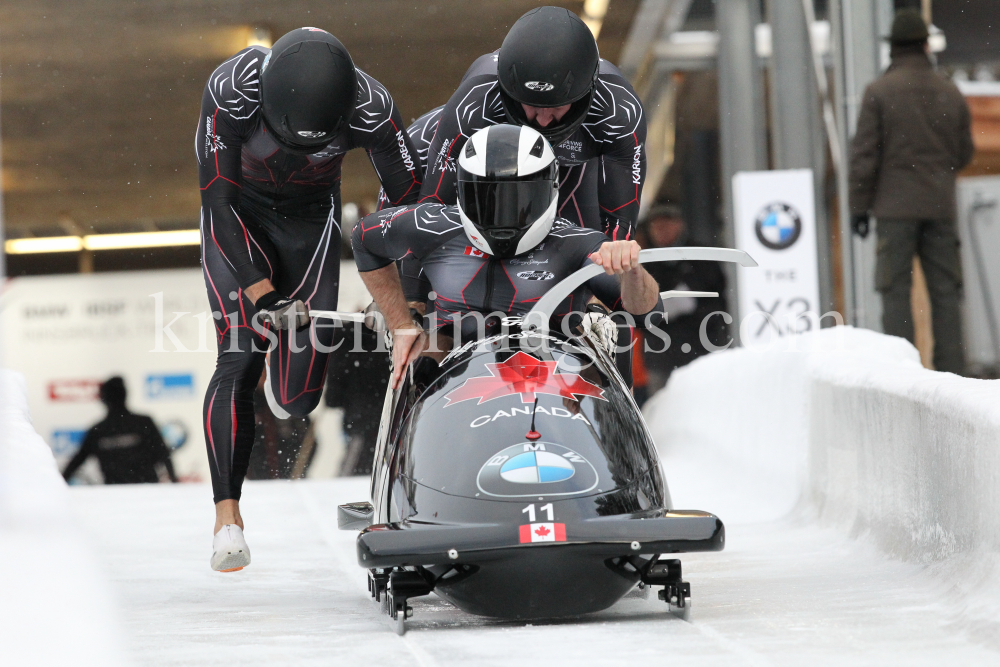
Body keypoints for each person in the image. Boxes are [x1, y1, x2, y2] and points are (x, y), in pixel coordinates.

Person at [197, 27, 421, 572]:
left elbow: (413, 202)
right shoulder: (232, 89)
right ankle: (228, 519)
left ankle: (288, 376)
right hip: (240, 218)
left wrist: (399, 294)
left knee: (298, 400)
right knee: (242, 352)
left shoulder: (371, 106)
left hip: (311, 221)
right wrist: (262, 294)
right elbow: (217, 202)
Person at [352, 124, 664, 389]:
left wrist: (631, 271)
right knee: (431, 348)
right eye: (487, 199)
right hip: (453, 390)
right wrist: (402, 325)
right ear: (462, 191)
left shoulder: (577, 245)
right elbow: (364, 239)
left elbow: (649, 314)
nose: (502, 217)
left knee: (596, 337)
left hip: (552, 389)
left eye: (518, 201)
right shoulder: (432, 225)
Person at [403, 6, 646, 305]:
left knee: (600, 288)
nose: (543, 121)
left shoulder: (619, 111)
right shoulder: (474, 101)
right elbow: (431, 211)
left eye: (557, 107)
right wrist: (414, 299)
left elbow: (620, 219)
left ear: (585, 94)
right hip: (492, 181)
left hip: (575, 170)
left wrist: (606, 279)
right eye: (532, 106)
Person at [849, 8, 974, 374]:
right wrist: (937, 172)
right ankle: (953, 374)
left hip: (894, 210)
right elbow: (964, 151)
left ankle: (904, 374)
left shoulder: (879, 92)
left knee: (895, 292)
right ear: (925, 46)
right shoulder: (949, 92)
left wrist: (859, 208)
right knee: (946, 292)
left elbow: (863, 158)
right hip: (939, 207)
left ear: (893, 49)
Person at [636, 203, 727, 398]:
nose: (660, 230)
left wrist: (659, 306)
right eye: (655, 225)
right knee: (662, 416)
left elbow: (690, 301)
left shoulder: (700, 255)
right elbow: (639, 312)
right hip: (660, 357)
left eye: (666, 223)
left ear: (679, 224)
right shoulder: (646, 262)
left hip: (701, 352)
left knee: (704, 405)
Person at [62, 377, 177, 485]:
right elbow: (164, 455)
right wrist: (175, 482)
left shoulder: (98, 430)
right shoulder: (144, 423)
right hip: (146, 492)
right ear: (126, 394)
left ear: (103, 399)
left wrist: (56, 485)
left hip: (116, 496)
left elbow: (75, 463)